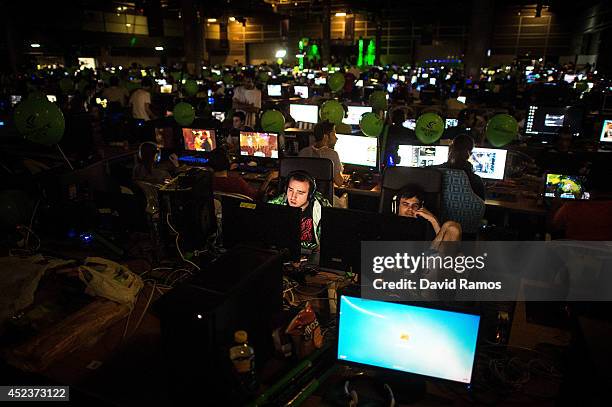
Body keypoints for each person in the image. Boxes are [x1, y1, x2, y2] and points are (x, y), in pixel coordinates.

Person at [268, 171, 331, 250]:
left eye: (300, 193)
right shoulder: (274, 205)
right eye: (290, 190)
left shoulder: (323, 208)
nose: (293, 197)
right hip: (282, 251)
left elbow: (330, 240)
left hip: (312, 253)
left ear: (310, 194)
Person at [394, 186, 462, 243]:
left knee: (452, 226)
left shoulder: (425, 226)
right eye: (405, 204)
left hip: (426, 256)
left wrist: (433, 220)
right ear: (397, 206)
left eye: (415, 205)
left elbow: (440, 246)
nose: (410, 208)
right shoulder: (388, 222)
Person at [208, 147, 276, 201]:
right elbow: (257, 196)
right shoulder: (236, 182)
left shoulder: (207, 182)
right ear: (228, 163)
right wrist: (269, 178)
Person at [437, 134, 485, 200]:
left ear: (450, 149)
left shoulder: (436, 172)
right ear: (470, 154)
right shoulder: (476, 180)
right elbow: (481, 204)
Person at [298, 121, 344, 188]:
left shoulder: (303, 152)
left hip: (307, 196)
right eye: (333, 134)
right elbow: (339, 182)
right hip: (324, 197)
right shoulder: (333, 154)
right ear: (325, 137)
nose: (336, 138)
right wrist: (341, 171)